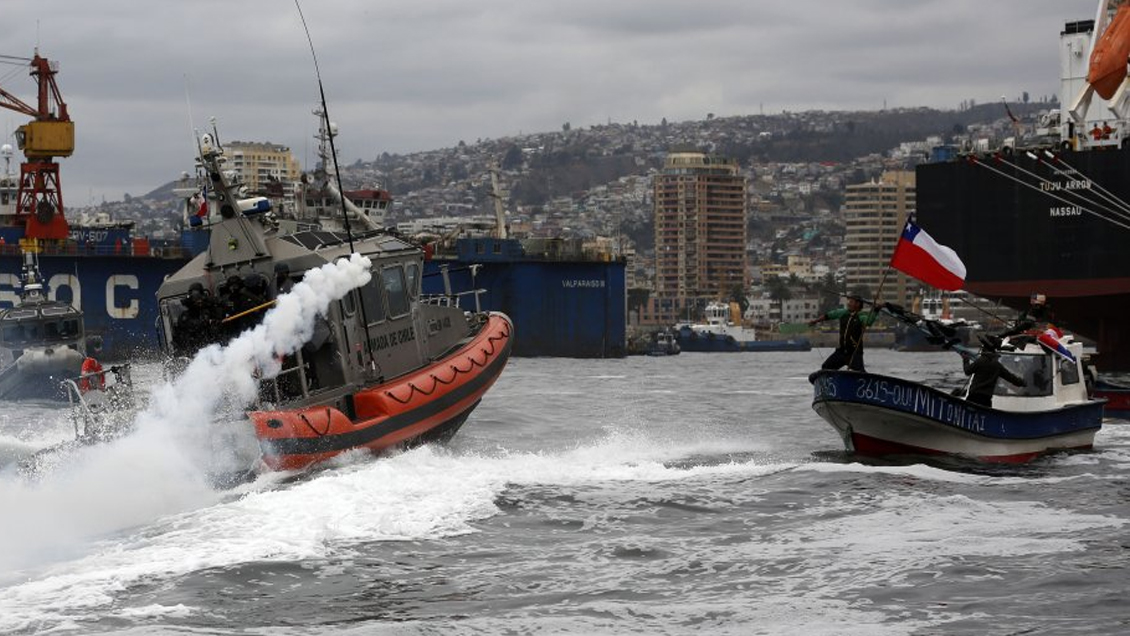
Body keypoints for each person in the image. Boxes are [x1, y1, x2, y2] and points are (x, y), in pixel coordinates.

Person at [808, 295, 881, 372]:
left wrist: (876, 310)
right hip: (842, 352)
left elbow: (868, 322)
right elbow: (828, 315)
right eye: (849, 301)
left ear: (858, 304)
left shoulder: (861, 316)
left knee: (859, 372)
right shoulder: (843, 313)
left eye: (851, 302)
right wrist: (815, 321)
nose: (848, 303)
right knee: (826, 367)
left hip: (854, 353)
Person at [962, 335, 1025, 408]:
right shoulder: (997, 366)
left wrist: (965, 360)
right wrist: (1022, 382)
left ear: (985, 349)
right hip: (986, 399)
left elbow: (967, 371)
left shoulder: (980, 361)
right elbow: (1011, 378)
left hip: (974, 397)